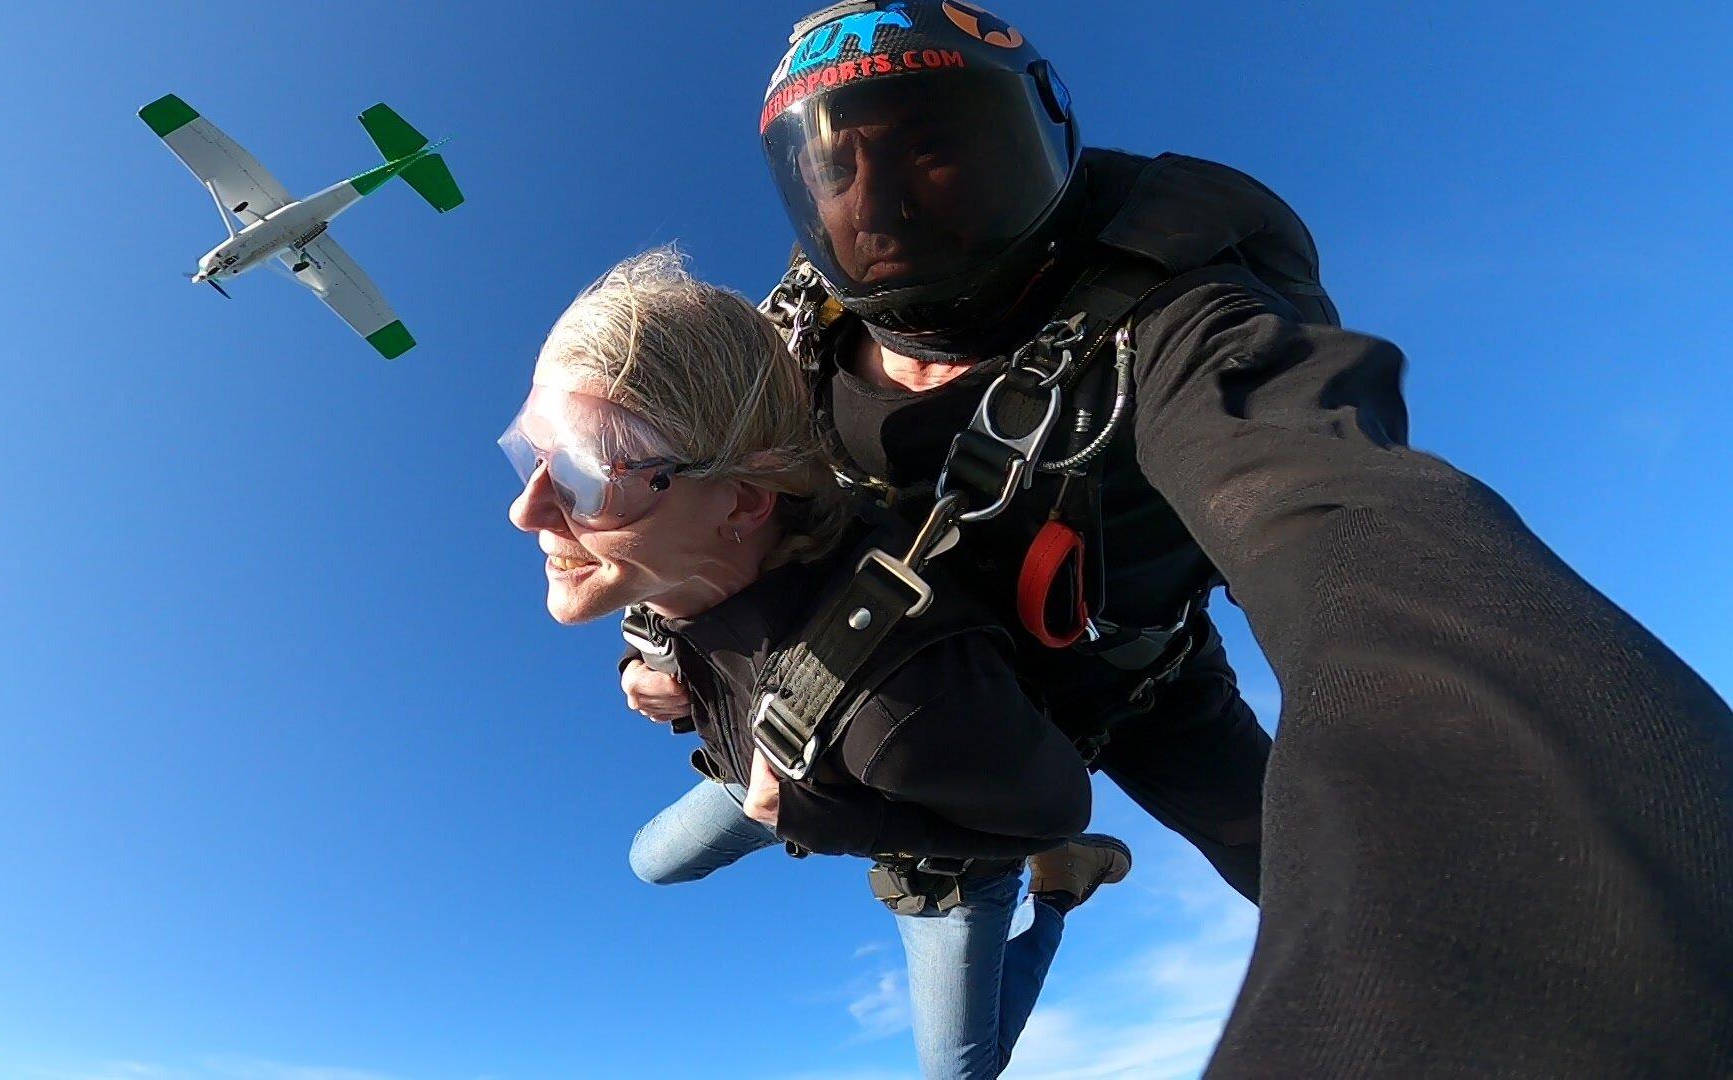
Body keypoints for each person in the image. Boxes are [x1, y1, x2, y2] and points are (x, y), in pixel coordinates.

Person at [626, 1, 1733, 1072]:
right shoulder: (781, 365)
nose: (883, 199)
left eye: (937, 143)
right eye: (839, 166)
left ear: (1039, 137)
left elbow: (1347, 519)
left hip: (1135, 697)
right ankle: (1052, 865)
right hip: (883, 712)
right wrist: (660, 642)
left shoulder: (1168, 318)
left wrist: (1547, 947)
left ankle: (1038, 874)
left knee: (1284, 884)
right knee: (654, 862)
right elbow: (667, 496)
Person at [504, 249, 1131, 1078]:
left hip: (934, 837)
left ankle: (1056, 894)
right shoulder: (684, 559)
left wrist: (828, 820)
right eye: (533, 453)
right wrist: (650, 668)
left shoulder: (898, 714)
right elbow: (690, 614)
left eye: (586, 475)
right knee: (651, 860)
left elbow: (1056, 808)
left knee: (958, 1071)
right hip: (775, 754)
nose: (526, 509)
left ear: (742, 501)